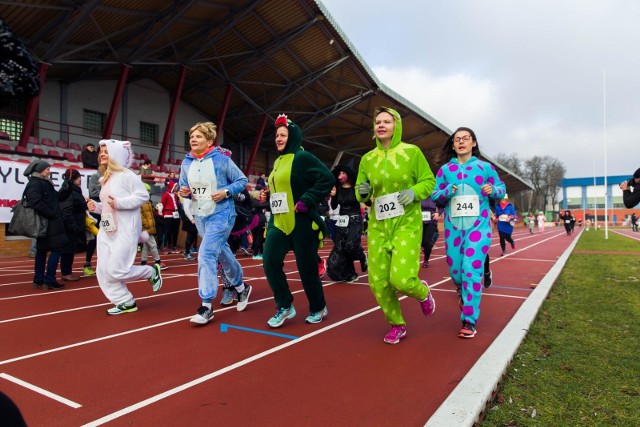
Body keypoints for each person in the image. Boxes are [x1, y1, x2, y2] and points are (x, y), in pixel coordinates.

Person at [355, 106, 436, 345]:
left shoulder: (412, 153)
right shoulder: (367, 159)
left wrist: (414, 191)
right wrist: (363, 192)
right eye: (377, 122)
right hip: (378, 226)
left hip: (406, 224)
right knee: (378, 281)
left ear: (396, 126)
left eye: (386, 122)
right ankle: (397, 324)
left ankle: (423, 292)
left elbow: (429, 180)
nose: (381, 125)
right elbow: (362, 188)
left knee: (401, 279)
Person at [431, 126, 506, 339]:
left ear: (473, 143)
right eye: (457, 139)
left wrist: (494, 190)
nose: (461, 142)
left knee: (470, 270)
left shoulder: (485, 168)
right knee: (456, 272)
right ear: (453, 145)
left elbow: (500, 189)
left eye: (466, 138)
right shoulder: (445, 171)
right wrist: (447, 191)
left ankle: (469, 320)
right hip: (454, 230)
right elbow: (435, 196)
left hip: (478, 228)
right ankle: (463, 291)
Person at [260, 114, 334, 328]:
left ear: (293, 137)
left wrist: (307, 199)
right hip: (278, 222)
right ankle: (284, 305)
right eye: (277, 136)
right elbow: (283, 188)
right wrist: (268, 194)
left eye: (283, 135)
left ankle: (318, 307)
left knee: (307, 269)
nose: (279, 139)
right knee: (270, 263)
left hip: (301, 222)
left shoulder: (303, 157)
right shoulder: (278, 161)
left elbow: (326, 178)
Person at [179, 121, 252, 324]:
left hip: (222, 214)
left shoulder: (221, 160)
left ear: (209, 140)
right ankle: (241, 288)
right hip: (201, 215)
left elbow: (242, 180)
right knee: (222, 252)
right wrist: (183, 190)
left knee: (206, 253)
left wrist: (226, 191)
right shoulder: (186, 163)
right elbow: (182, 185)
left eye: (199, 136)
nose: (193, 139)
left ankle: (206, 305)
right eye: (192, 136)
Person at [87, 139, 163, 315]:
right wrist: (96, 207)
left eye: (106, 151)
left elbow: (142, 196)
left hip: (125, 229)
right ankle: (124, 301)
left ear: (116, 154)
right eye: (101, 151)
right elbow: (109, 206)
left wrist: (120, 202)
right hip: (107, 230)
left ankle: (150, 272)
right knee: (103, 270)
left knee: (117, 269)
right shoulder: (105, 179)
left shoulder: (127, 175)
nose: (102, 154)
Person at [23, 160, 67, 290]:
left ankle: (39, 279)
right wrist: (51, 214)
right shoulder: (35, 183)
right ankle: (49, 279)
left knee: (42, 251)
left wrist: (66, 187)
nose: (49, 171)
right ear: (40, 170)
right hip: (47, 222)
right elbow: (35, 202)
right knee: (55, 249)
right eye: (47, 169)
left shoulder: (44, 182)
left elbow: (57, 198)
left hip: (49, 222)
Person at [326, 164, 368, 282]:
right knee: (341, 249)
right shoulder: (338, 189)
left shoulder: (355, 188)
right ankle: (350, 274)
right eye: (339, 174)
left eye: (343, 173)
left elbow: (365, 200)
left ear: (349, 175)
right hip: (342, 221)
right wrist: (333, 196)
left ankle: (362, 255)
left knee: (350, 245)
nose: (340, 176)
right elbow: (334, 206)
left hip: (354, 220)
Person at [58, 168, 87, 282]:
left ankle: (67, 272)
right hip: (70, 225)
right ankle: (66, 273)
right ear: (75, 178)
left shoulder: (73, 190)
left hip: (73, 223)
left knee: (69, 250)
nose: (80, 180)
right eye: (79, 178)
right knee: (67, 250)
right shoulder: (70, 191)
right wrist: (73, 226)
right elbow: (66, 210)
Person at [140, 183, 167, 269]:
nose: (149, 193)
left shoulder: (147, 202)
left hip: (148, 228)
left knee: (146, 246)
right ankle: (158, 262)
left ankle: (143, 262)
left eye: (149, 191)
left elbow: (150, 212)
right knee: (153, 245)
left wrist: (156, 208)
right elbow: (140, 215)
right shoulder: (140, 202)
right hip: (146, 228)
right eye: (147, 191)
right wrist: (146, 225)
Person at [83, 171, 101, 276]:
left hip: (108, 210)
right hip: (96, 209)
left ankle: (105, 265)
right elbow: (93, 193)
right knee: (95, 237)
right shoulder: (96, 177)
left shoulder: (113, 176)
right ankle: (87, 264)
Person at [158, 181, 181, 252]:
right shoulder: (166, 195)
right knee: (167, 231)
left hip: (176, 214)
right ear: (172, 187)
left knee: (175, 231)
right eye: (175, 186)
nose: (176, 188)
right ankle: (165, 246)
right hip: (168, 214)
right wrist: (160, 212)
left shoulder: (176, 195)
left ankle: (174, 245)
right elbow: (162, 204)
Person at [420, 197, 442, 268]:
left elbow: (441, 207)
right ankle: (427, 245)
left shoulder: (434, 196)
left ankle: (426, 260)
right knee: (422, 242)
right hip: (419, 222)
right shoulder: (420, 195)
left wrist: (438, 213)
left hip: (431, 222)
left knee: (427, 242)